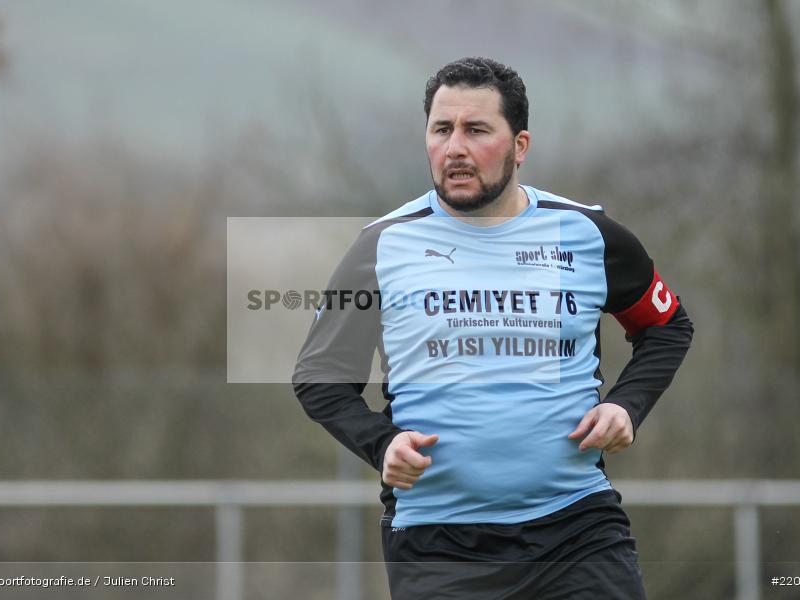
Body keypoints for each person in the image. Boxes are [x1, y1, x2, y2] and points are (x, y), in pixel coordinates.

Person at [292, 57, 693, 600]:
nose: (455, 147)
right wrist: (381, 444)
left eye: (476, 130)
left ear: (519, 146)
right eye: (442, 129)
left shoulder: (588, 234)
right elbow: (319, 376)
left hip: (577, 530)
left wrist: (627, 406)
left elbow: (667, 327)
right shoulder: (382, 246)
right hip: (438, 544)